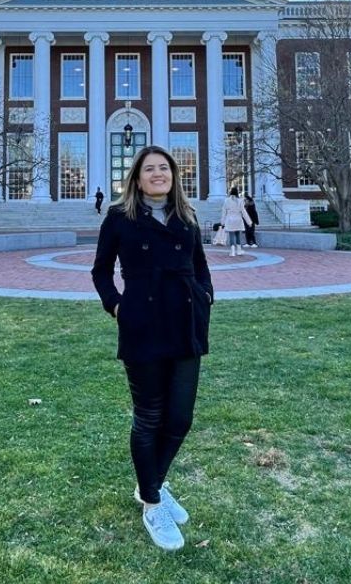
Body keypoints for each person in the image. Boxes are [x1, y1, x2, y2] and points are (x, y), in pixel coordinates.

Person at [91, 145, 214, 552]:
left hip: (185, 324)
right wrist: (117, 306)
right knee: (149, 418)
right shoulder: (120, 218)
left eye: (164, 168)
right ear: (137, 178)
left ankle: (151, 485)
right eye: (150, 169)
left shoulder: (186, 216)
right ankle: (152, 501)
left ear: (174, 175)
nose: (158, 174)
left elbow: (199, 265)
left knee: (180, 419)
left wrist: (205, 296)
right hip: (143, 326)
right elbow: (101, 270)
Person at [220, 186, 252, 257]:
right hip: (238, 219)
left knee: (231, 235)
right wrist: (249, 222)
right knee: (238, 235)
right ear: (237, 192)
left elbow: (223, 212)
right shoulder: (240, 201)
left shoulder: (226, 200)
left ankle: (232, 251)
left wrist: (222, 222)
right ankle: (239, 250)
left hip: (230, 219)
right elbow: (244, 212)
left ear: (231, 192)